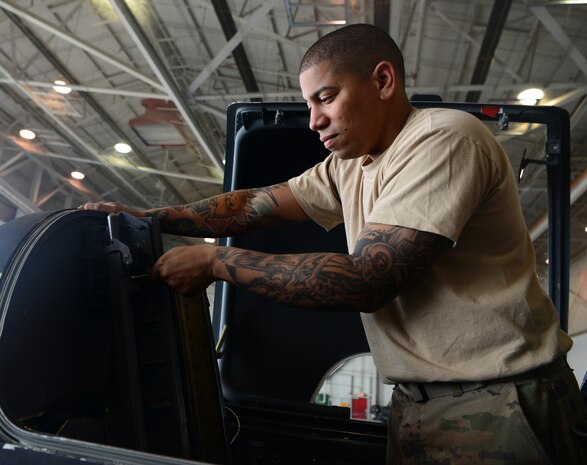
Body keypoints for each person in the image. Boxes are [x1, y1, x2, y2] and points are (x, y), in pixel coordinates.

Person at [83, 23, 587, 465]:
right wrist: (146, 217)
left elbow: (367, 279)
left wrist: (217, 260)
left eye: (326, 98)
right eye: (308, 104)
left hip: (498, 403)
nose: (313, 120)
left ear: (383, 81)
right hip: (419, 403)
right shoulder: (352, 163)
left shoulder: (444, 140)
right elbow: (254, 204)